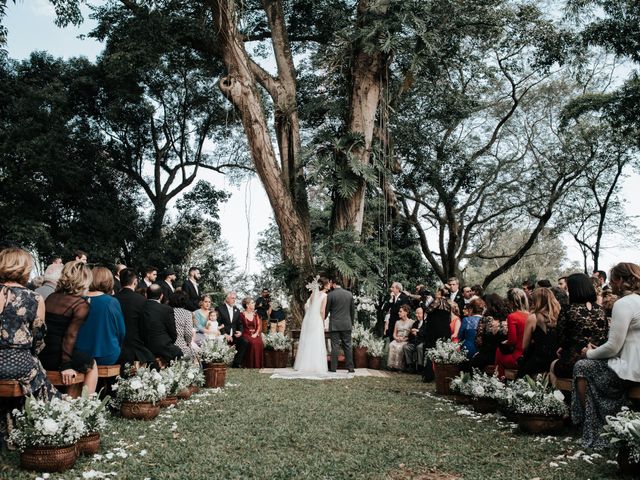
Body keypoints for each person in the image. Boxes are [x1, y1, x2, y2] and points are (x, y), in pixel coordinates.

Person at [572, 263, 640, 448]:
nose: (610, 284)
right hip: (632, 363)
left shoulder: (623, 304)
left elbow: (613, 347)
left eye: (612, 279)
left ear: (620, 281)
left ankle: (593, 425)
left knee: (582, 366)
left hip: (628, 370)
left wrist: (590, 352)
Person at [0, 248, 58, 401]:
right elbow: (38, 340)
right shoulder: (34, 298)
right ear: (25, 269)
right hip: (17, 364)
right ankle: (49, 413)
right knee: (38, 372)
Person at [40, 261, 98, 394]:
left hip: (43, 353)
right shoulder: (80, 304)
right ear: (84, 280)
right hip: (59, 356)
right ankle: (84, 406)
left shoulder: (51, 297)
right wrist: (66, 365)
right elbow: (70, 336)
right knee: (92, 365)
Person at [552, 273, 607, 379]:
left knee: (553, 365)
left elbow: (561, 339)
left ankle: (558, 395)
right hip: (597, 361)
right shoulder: (601, 310)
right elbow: (603, 336)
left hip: (575, 363)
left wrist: (563, 348)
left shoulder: (568, 309)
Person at [75, 267, 126, 366]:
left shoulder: (79, 300)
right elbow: (121, 332)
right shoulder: (111, 301)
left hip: (80, 355)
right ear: (108, 281)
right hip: (106, 354)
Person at [114, 268, 155, 366]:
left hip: (116, 346)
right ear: (135, 281)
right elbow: (146, 327)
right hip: (135, 347)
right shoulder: (142, 300)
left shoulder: (113, 299)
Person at [517, 288, 559, 378]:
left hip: (539, 360)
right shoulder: (558, 316)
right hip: (556, 359)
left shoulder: (533, 318)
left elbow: (524, 346)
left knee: (521, 374)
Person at [466, 294, 509, 371]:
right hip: (503, 354)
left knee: (472, 368)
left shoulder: (485, 319)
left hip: (486, 354)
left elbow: (478, 341)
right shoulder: (507, 319)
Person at [142, 284, 183, 362]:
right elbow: (173, 333)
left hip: (144, 347)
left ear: (146, 295)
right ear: (161, 296)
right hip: (163, 346)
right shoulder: (166, 309)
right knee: (179, 354)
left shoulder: (141, 307)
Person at [494, 288, 529, 378]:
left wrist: (504, 342)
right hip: (528, 356)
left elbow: (512, 341)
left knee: (499, 351)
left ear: (512, 302)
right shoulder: (530, 315)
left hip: (517, 357)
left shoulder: (512, 316)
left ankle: (499, 380)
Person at [325, 278, 355, 373]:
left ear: (334, 284)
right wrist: (351, 323)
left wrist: (322, 318)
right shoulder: (349, 294)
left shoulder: (330, 295)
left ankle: (333, 368)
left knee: (335, 346)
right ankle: (350, 368)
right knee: (348, 345)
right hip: (346, 324)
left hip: (335, 325)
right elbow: (352, 311)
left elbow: (326, 310)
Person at [422, 297, 453, 382]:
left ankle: (429, 375)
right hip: (445, 331)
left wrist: (423, 303)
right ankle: (443, 375)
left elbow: (427, 310)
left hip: (433, 331)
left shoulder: (434, 306)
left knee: (430, 351)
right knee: (444, 352)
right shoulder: (448, 307)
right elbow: (449, 320)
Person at [217, 292, 248, 368]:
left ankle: (236, 363)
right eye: (232, 298)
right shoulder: (220, 308)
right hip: (223, 335)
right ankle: (221, 362)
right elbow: (218, 322)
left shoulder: (236, 310)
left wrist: (240, 331)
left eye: (235, 298)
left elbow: (240, 323)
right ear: (227, 299)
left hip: (233, 335)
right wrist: (224, 334)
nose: (234, 300)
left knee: (244, 342)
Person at [169, 291, 197, 360]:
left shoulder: (167, 311)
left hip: (168, 345)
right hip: (181, 345)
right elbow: (188, 333)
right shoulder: (187, 313)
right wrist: (188, 343)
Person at [240, 297, 264, 368]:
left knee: (259, 342)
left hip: (255, 333)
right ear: (247, 305)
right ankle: (250, 365)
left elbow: (259, 325)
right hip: (246, 333)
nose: (254, 304)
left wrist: (256, 334)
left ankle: (258, 365)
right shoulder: (241, 315)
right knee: (252, 343)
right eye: (252, 303)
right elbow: (240, 326)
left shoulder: (255, 315)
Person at [387, 304, 413, 370]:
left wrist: (404, 339)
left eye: (400, 311)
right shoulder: (397, 322)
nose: (399, 313)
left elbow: (411, 336)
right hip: (397, 339)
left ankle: (400, 366)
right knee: (391, 344)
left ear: (406, 312)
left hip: (405, 340)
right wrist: (396, 338)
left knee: (399, 347)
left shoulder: (411, 322)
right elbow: (394, 334)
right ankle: (392, 366)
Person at [403, 306, 427, 373]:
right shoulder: (415, 323)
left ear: (424, 314)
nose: (416, 315)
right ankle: (411, 366)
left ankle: (420, 367)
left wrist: (418, 332)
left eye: (418, 313)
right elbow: (410, 335)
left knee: (419, 347)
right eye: (416, 313)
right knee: (406, 347)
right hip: (415, 342)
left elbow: (426, 334)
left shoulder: (427, 322)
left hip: (423, 342)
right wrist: (412, 332)